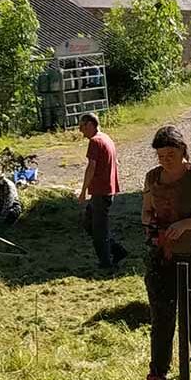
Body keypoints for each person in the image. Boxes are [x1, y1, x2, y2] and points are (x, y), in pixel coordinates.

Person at [141, 126, 191, 380]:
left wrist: (184, 224)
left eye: (170, 154)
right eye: (161, 155)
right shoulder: (152, 178)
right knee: (161, 318)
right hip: (163, 256)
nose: (165, 160)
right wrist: (154, 224)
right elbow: (145, 213)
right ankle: (157, 376)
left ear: (183, 151)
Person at [77, 112, 126, 269]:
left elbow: (91, 167)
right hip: (105, 190)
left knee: (99, 230)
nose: (80, 130)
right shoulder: (106, 138)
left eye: (82, 126)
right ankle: (116, 250)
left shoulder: (95, 142)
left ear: (90, 124)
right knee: (88, 223)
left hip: (101, 192)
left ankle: (106, 263)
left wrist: (83, 190)